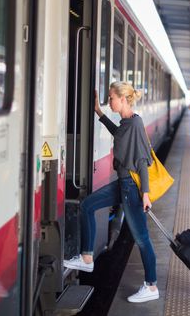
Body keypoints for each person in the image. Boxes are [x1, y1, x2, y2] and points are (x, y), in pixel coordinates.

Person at [63, 82, 159, 303]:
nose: (109, 101)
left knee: (142, 238)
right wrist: (99, 113)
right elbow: (118, 133)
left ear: (123, 99)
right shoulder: (126, 123)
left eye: (111, 98)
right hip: (122, 184)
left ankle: (151, 286)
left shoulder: (135, 123)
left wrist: (145, 193)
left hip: (132, 189)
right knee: (87, 205)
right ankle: (87, 257)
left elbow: (143, 161)